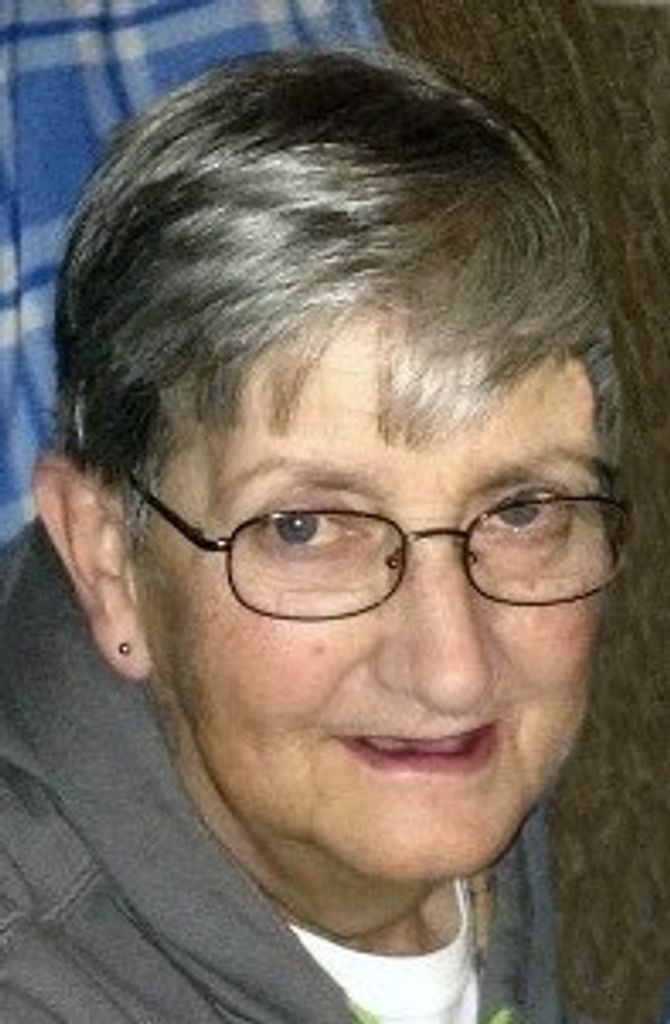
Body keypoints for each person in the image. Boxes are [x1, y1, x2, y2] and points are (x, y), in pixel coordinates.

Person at [0, 50, 628, 1024]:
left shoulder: (395, 772)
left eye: (519, 509)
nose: (454, 673)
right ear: (107, 559)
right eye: (303, 529)